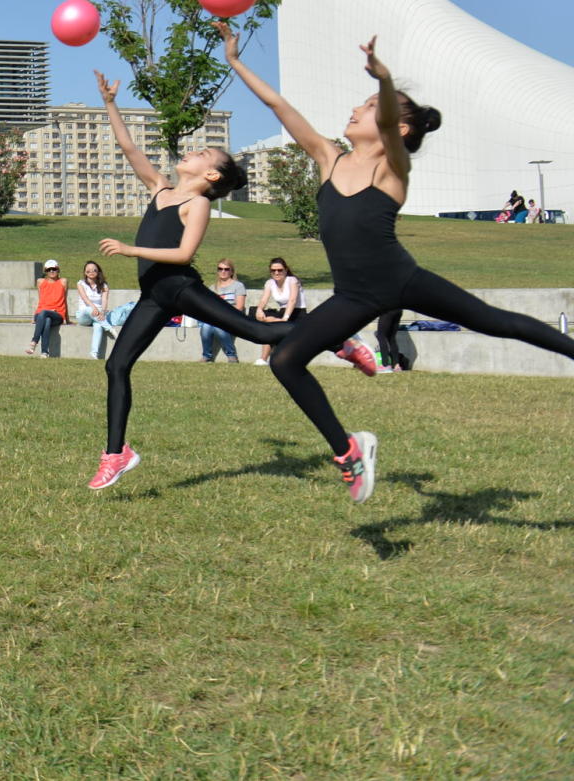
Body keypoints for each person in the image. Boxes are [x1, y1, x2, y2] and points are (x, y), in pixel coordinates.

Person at [221, 26, 574, 503]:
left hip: (402, 281)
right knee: (285, 361)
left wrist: (384, 80)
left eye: (366, 107)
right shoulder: (329, 158)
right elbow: (280, 108)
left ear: (397, 127)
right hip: (353, 296)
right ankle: (349, 450)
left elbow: (389, 125)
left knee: (497, 322)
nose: (355, 110)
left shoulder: (393, 167)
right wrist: (236, 61)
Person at [84, 69, 334, 491]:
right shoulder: (160, 189)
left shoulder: (196, 203)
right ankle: (116, 454)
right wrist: (109, 102)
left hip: (180, 286)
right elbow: (128, 147)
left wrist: (130, 250)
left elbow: (183, 254)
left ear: (212, 176)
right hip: (154, 296)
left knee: (256, 330)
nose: (194, 152)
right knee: (116, 364)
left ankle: (336, 335)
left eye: (204, 153)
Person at [254, 256, 302, 365]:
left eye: (280, 270)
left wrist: (284, 319)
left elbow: (292, 300)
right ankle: (263, 359)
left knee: (273, 324)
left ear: (285, 270)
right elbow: (264, 299)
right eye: (273, 270)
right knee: (268, 323)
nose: (276, 273)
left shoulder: (292, 280)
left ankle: (265, 358)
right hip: (282, 312)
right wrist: (259, 310)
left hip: (297, 313)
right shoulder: (270, 283)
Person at [73, 260, 121, 359]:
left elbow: (104, 301)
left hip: (98, 316)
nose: (91, 272)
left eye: (94, 270)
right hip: (84, 316)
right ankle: (110, 329)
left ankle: (94, 353)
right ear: (85, 272)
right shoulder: (81, 283)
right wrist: (93, 307)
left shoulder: (104, 286)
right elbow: (85, 298)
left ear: (98, 272)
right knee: (88, 309)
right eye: (88, 270)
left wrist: (102, 312)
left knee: (98, 326)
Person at [200, 261, 246, 364]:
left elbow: (239, 307)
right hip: (216, 317)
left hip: (234, 318)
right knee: (205, 327)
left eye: (226, 269)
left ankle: (232, 355)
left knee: (219, 327)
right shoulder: (213, 287)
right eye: (220, 269)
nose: (223, 271)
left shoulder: (238, 286)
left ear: (231, 271)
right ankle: (206, 356)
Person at [26, 260, 68, 356]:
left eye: (54, 269)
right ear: (46, 271)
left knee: (45, 313)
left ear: (58, 270)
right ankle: (44, 352)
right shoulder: (40, 282)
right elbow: (41, 300)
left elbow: (65, 300)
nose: (52, 271)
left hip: (57, 314)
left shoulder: (63, 281)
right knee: (47, 319)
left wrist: (66, 318)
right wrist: (34, 317)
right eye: (49, 270)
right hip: (42, 314)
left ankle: (34, 342)